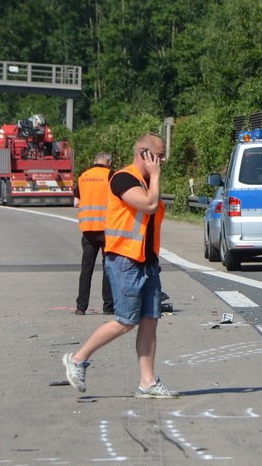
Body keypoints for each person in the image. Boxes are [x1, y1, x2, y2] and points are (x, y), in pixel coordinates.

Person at [63, 132, 179, 399]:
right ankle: (78, 359)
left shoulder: (146, 181)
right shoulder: (123, 178)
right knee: (126, 321)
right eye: (159, 156)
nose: (162, 161)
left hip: (146, 259)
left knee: (150, 320)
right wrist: (156, 177)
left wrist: (154, 177)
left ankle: (147, 383)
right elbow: (149, 205)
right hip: (125, 259)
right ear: (144, 154)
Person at [73, 152, 114, 315]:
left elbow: (76, 202)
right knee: (108, 268)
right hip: (107, 229)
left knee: (86, 268)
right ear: (108, 163)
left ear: (95, 160)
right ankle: (108, 307)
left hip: (88, 229)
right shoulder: (111, 175)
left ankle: (81, 307)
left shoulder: (83, 176)